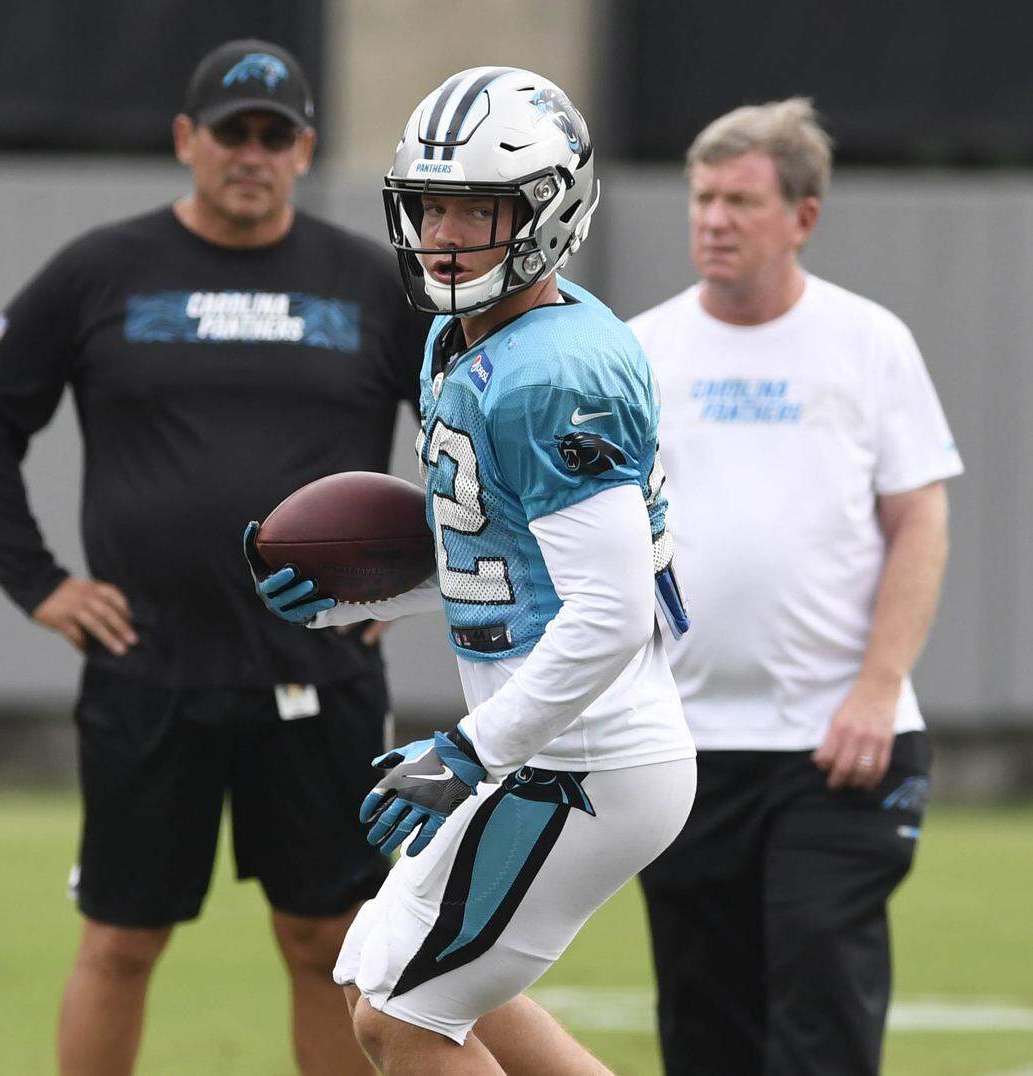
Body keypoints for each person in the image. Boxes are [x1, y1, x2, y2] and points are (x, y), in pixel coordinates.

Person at [0, 38, 428, 1076]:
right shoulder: (103, 270)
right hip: (148, 669)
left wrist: (423, 581)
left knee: (330, 943)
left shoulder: (370, 284)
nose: (251, 153)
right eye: (230, 132)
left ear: (305, 148)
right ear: (184, 141)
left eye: (274, 134)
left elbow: (478, 433)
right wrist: (37, 582)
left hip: (318, 673)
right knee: (120, 940)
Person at [246, 66, 697, 1075]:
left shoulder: (552, 368)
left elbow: (613, 611)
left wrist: (468, 745)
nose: (446, 233)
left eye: (481, 209)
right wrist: (360, 594)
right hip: (548, 745)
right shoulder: (463, 335)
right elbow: (505, 562)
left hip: (591, 757)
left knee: (402, 1016)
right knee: (382, 981)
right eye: (431, 205)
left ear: (551, 209)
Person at [628, 98, 964, 1076]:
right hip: (683, 747)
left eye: (739, 199)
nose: (714, 219)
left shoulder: (869, 343)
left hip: (838, 744)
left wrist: (874, 688)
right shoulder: (639, 352)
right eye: (702, 198)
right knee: (704, 1025)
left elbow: (920, 524)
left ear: (803, 217)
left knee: (820, 993)